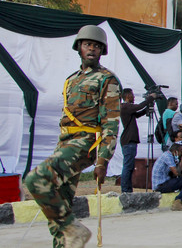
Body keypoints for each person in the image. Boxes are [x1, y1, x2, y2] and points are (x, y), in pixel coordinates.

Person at [25, 25, 121, 248]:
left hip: (85, 144)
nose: (92, 49)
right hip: (65, 144)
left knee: (36, 179)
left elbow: (111, 122)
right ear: (79, 47)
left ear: (102, 51)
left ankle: (74, 228)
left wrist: (103, 160)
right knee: (59, 204)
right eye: (88, 44)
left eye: (97, 46)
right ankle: (66, 238)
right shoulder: (71, 80)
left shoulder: (107, 79)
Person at [119, 88, 154, 193]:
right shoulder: (125, 106)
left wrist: (147, 108)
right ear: (127, 96)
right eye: (132, 95)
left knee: (129, 166)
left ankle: (127, 189)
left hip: (129, 141)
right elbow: (138, 107)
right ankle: (125, 190)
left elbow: (137, 114)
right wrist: (150, 98)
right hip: (129, 141)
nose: (134, 97)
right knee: (128, 166)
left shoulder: (127, 108)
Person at [151, 143, 182, 210]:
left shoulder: (170, 156)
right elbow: (176, 173)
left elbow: (179, 174)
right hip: (160, 186)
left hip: (162, 184)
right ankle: (178, 202)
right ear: (176, 151)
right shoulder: (168, 156)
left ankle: (180, 199)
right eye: (181, 152)